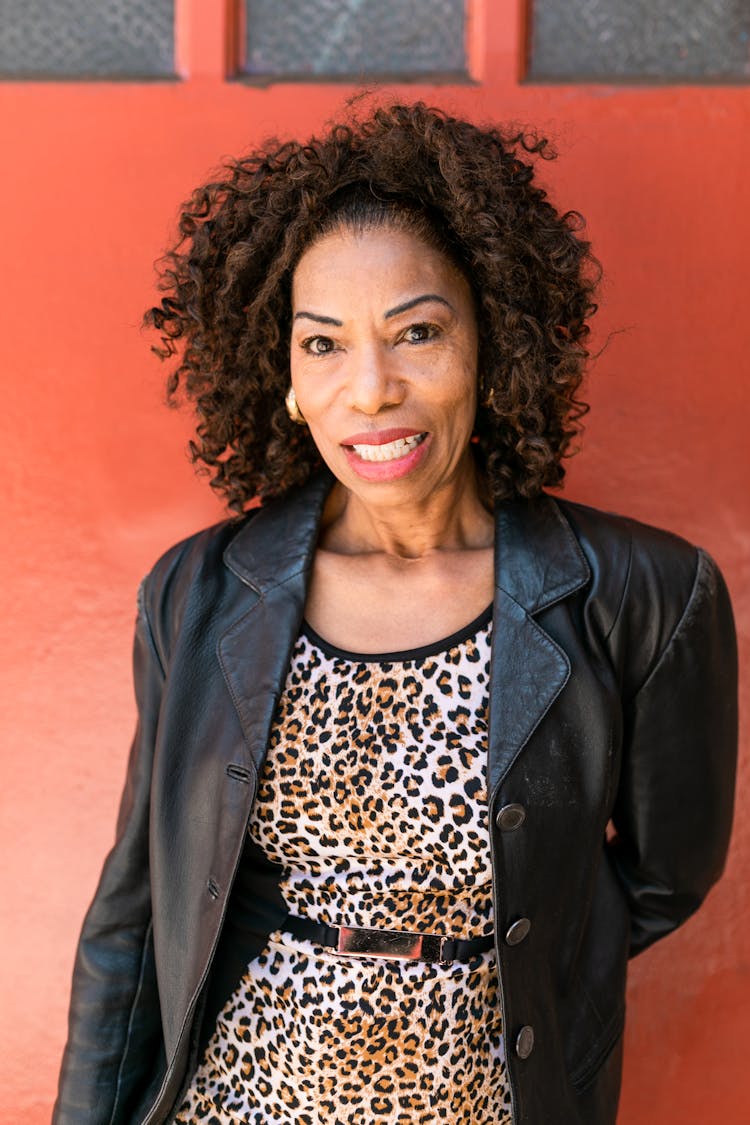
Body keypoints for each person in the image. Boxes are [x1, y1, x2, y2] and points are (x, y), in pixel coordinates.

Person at [53, 102, 737, 1125]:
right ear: (286, 378)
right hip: (237, 1100)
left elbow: (663, 877)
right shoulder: (199, 593)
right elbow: (138, 909)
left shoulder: (645, 595)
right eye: (323, 344)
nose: (370, 390)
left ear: (489, 343)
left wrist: (508, 949)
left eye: (417, 332)